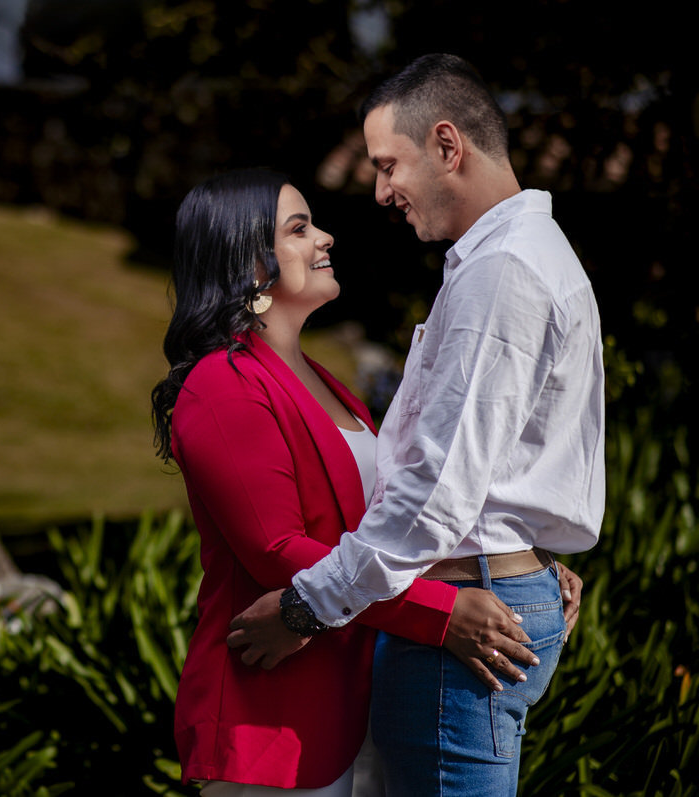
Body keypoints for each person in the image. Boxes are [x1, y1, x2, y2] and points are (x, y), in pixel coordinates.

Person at [227, 54, 602, 796]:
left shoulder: (505, 272)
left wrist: (305, 608)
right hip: (485, 591)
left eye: (388, 164)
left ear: (447, 145)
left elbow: (435, 494)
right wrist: (525, 550)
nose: (379, 190)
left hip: (462, 621)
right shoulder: (514, 259)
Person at [151, 168, 545, 797]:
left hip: (357, 698)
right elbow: (275, 550)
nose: (325, 237)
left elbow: (392, 520)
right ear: (249, 262)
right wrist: (441, 613)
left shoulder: (323, 380)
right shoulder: (222, 384)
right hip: (275, 715)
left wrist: (518, 560)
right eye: (299, 228)